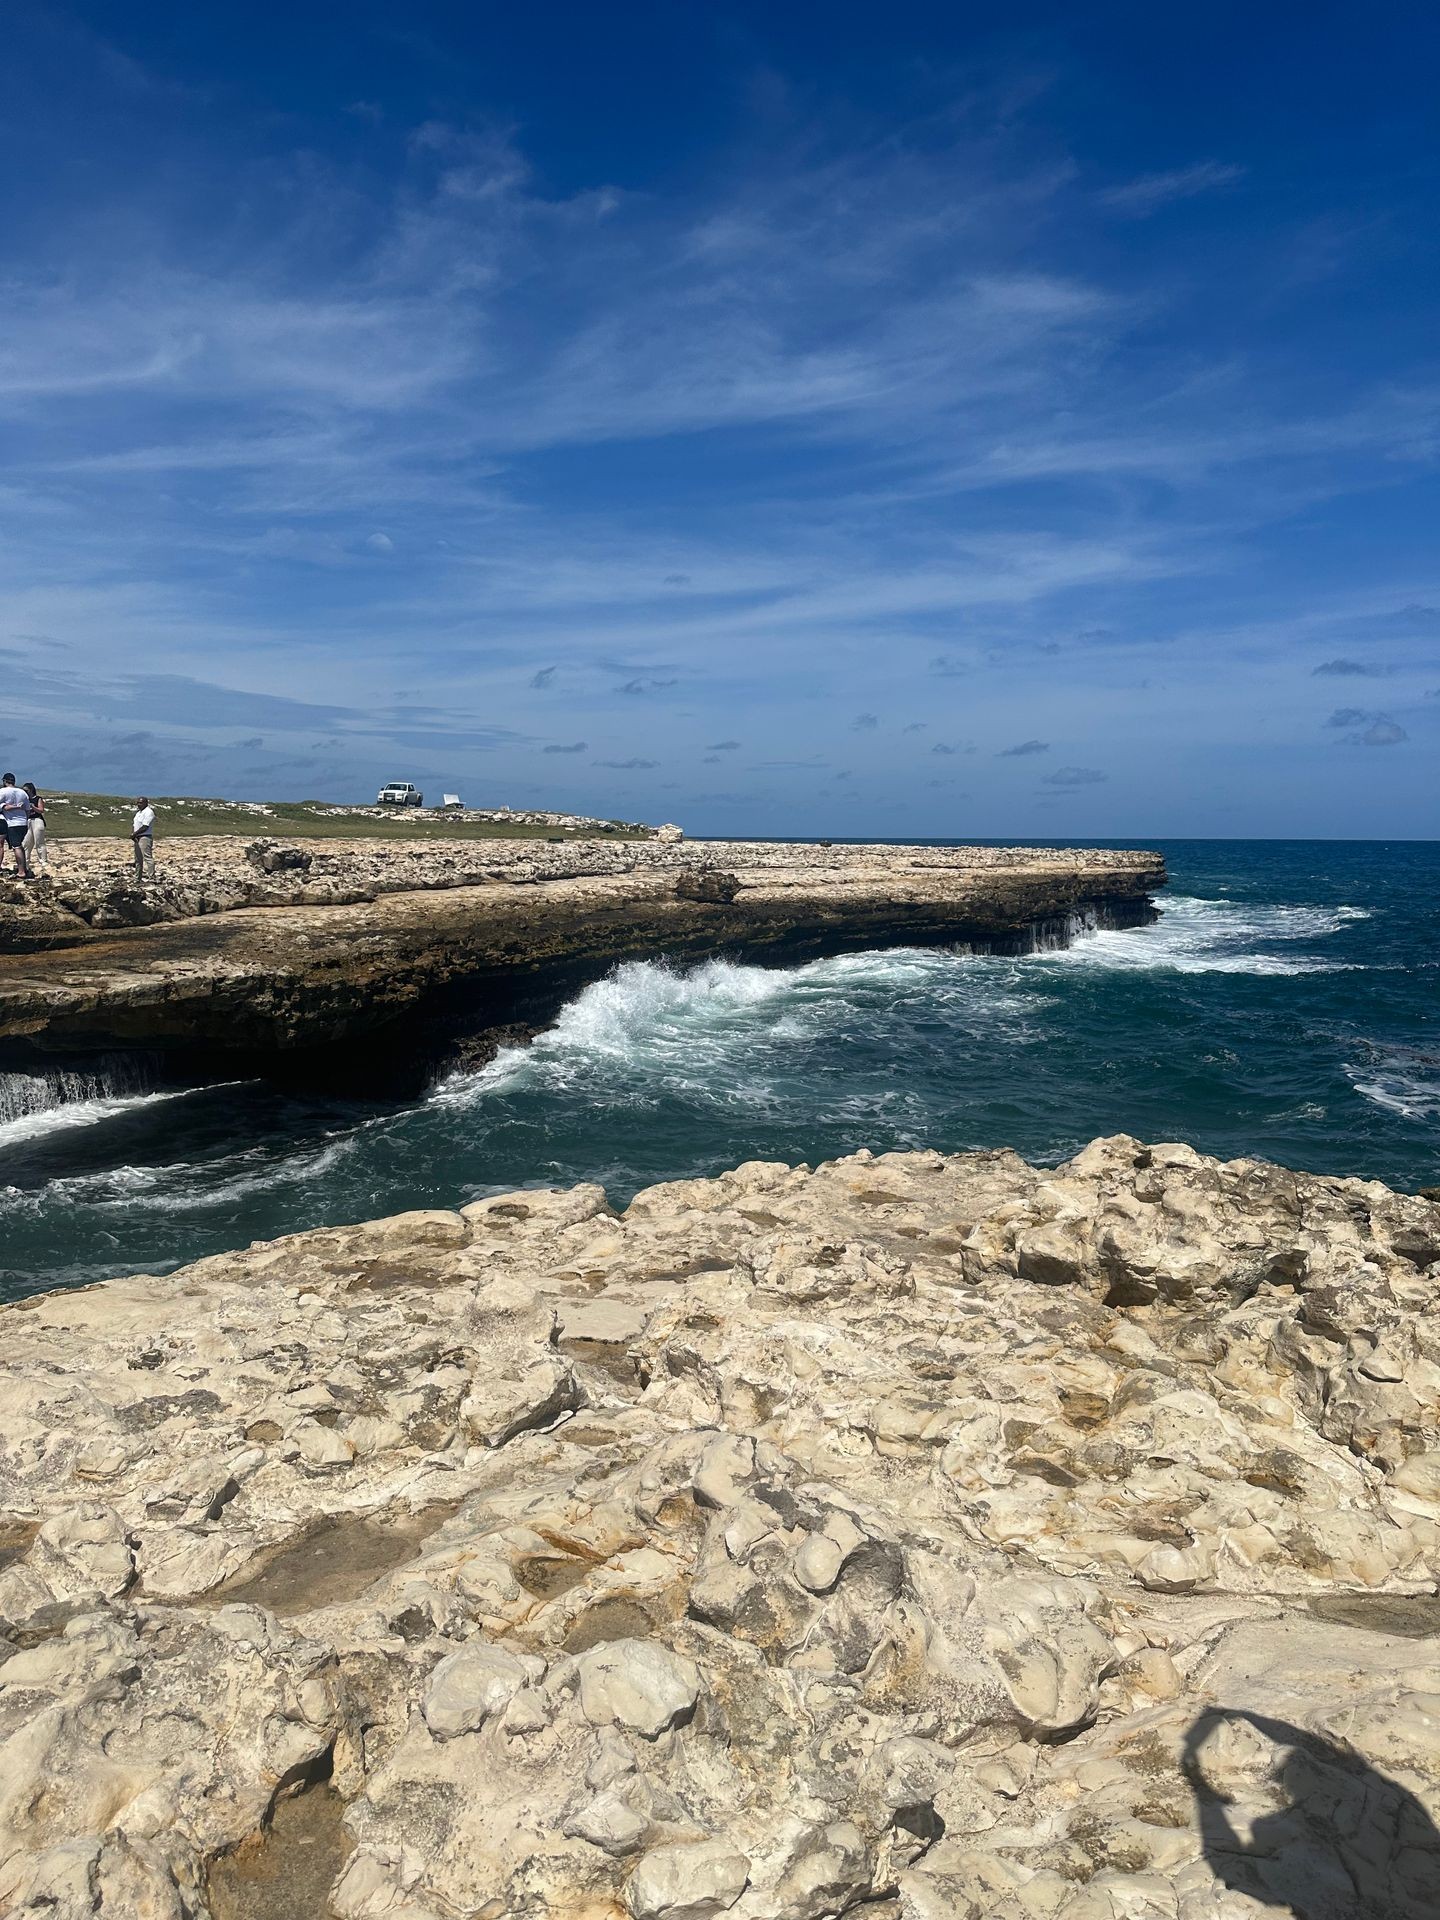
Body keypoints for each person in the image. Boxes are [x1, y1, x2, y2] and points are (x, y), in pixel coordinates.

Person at [0, 773, 32, 879]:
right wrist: (25, 819)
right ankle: (23, 868)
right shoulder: (22, 793)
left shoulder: (3, 791)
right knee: (20, 846)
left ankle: (21, 871)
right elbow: (28, 809)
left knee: (16, 846)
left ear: (5, 781)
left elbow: (5, 808)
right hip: (23, 822)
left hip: (12, 822)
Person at [21, 783, 47, 876]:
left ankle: (43, 861)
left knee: (39, 841)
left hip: (37, 820)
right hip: (28, 821)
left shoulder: (37, 798)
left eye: (26, 790)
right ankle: (25, 863)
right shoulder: (25, 800)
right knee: (26, 843)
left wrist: (33, 806)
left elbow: (41, 810)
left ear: (31, 790)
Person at [131, 796, 156, 881]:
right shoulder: (138, 813)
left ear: (146, 803)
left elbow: (145, 826)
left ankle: (151, 877)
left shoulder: (148, 812)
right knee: (138, 859)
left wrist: (135, 833)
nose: (139, 804)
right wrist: (134, 834)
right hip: (137, 837)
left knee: (147, 857)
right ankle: (138, 878)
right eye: (138, 803)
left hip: (145, 836)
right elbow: (136, 825)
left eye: (141, 803)